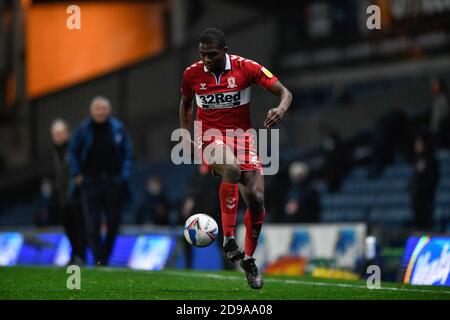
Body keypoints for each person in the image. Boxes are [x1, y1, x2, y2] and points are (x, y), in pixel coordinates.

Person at [179, 28, 292, 289]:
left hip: (243, 139)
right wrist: (186, 136)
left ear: (224, 51)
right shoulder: (192, 74)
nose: (206, 59)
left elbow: (285, 93)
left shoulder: (246, 68)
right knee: (230, 169)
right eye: (202, 54)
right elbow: (185, 103)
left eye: (212, 54)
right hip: (210, 136)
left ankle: (249, 260)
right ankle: (228, 239)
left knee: (257, 199)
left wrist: (280, 108)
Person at [69, 96, 132, 265]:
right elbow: (73, 152)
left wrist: (123, 176)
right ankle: (99, 259)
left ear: (109, 110)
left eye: (104, 108)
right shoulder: (83, 130)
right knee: (92, 225)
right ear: (91, 111)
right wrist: (77, 174)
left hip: (113, 182)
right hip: (90, 183)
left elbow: (127, 153)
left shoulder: (118, 128)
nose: (101, 111)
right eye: (98, 108)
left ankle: (105, 255)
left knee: (113, 223)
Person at [50, 119, 85, 265]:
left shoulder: (74, 148)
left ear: (67, 133)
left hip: (77, 197)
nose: (58, 136)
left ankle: (80, 256)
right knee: (68, 228)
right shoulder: (55, 152)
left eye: (60, 132)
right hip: (63, 198)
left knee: (78, 228)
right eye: (55, 134)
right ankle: (75, 255)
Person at [409, 131, 439, 231]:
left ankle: (427, 244)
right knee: (417, 222)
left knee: (425, 222)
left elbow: (432, 179)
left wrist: (422, 189)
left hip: (425, 199)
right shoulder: (416, 160)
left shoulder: (431, 160)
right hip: (416, 198)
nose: (416, 146)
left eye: (419, 143)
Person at [430, 78, 449, 148]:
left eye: (436, 86)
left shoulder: (444, 98)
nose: (434, 88)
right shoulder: (438, 99)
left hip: (441, 129)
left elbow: (444, 114)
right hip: (437, 129)